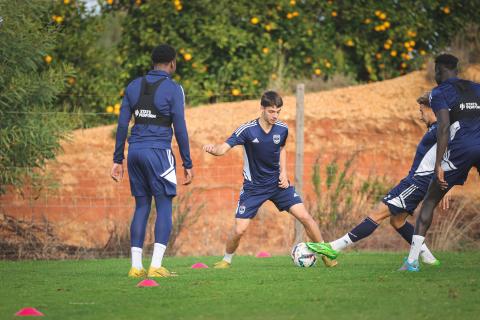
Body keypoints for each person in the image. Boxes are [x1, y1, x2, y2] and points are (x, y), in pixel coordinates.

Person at [203, 91, 337, 268]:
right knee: (239, 230)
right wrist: (214, 149)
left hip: (278, 185)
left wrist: (284, 173)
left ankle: (326, 254)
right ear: (262, 109)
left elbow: (281, 148)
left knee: (305, 217)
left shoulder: (282, 129)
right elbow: (223, 148)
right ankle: (226, 260)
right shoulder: (247, 130)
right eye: (271, 111)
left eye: (278, 111)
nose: (275, 116)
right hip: (254, 188)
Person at [308, 92, 444, 265]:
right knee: (397, 221)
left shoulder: (441, 129)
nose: (421, 116)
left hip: (416, 183)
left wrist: (442, 185)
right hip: (415, 181)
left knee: (376, 214)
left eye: (422, 111)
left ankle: (333, 248)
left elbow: (447, 157)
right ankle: (429, 258)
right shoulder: (435, 129)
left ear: (432, 109)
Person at [111, 44, 193, 278]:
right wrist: (187, 162)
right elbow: (181, 128)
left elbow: (121, 125)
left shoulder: (133, 86)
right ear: (172, 63)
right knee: (164, 205)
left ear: (152, 62)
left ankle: (136, 267)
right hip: (158, 152)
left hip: (135, 151)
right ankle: (155, 266)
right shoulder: (174, 89)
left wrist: (118, 159)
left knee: (142, 206)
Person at [401, 54, 480, 271]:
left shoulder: (439, 92)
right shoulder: (476, 87)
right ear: (456, 68)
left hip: (461, 149)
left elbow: (443, 128)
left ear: (438, 71)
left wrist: (439, 165)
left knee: (430, 200)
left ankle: (412, 262)